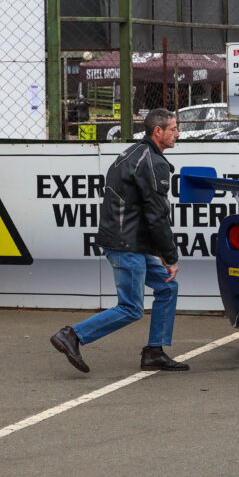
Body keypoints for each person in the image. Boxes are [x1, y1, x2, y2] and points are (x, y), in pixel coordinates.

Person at [50, 108, 188, 373]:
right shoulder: (152, 162)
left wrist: (158, 250)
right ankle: (72, 335)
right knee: (131, 307)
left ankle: (154, 353)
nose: (177, 134)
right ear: (157, 131)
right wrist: (170, 256)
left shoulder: (132, 153)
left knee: (168, 288)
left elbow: (141, 209)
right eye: (173, 129)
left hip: (130, 242)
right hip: (127, 245)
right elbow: (157, 215)